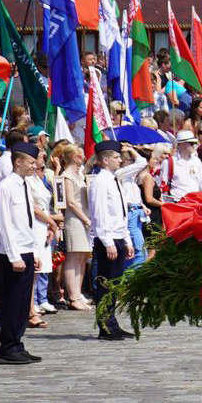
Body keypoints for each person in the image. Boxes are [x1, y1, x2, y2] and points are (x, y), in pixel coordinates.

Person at [0, 142, 46, 364]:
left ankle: (17, 342)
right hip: (12, 254)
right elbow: (4, 224)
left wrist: (33, 251)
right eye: (32, 162)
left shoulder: (24, 185)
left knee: (24, 303)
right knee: (13, 302)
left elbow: (27, 222)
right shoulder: (5, 187)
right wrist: (14, 255)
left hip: (25, 250)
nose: (35, 166)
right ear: (18, 162)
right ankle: (8, 348)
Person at [87, 140, 136, 340]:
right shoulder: (100, 181)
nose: (120, 160)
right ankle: (105, 326)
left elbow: (120, 213)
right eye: (116, 157)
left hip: (117, 236)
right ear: (105, 160)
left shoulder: (114, 179)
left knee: (114, 284)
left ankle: (112, 322)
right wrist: (107, 241)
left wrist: (127, 240)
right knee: (106, 284)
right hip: (107, 239)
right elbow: (99, 214)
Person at [54, 145, 93, 310]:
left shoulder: (79, 174)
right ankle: (73, 296)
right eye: (81, 154)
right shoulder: (67, 176)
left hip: (83, 218)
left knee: (82, 258)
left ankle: (78, 294)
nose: (83, 157)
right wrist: (85, 219)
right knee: (74, 257)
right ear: (75, 157)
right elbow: (70, 202)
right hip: (75, 219)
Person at [166, 131, 202, 200]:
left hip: (195, 201)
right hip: (177, 201)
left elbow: (200, 182)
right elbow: (164, 184)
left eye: (194, 143)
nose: (194, 146)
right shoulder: (169, 161)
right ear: (181, 144)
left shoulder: (197, 161)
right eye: (191, 143)